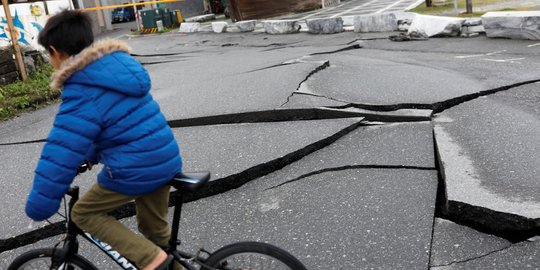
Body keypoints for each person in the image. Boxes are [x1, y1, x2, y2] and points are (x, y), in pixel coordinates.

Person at [24, 10, 182, 270]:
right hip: (163, 158)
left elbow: (60, 152)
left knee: (84, 213)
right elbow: (114, 126)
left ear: (55, 51)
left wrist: (40, 205)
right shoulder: (116, 68)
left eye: (48, 55)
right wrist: (89, 156)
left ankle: (151, 259)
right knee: (153, 232)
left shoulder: (81, 89)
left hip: (136, 168)